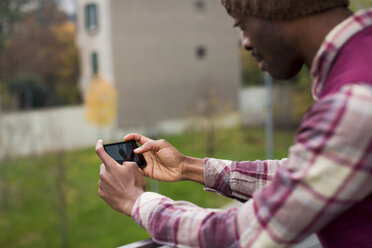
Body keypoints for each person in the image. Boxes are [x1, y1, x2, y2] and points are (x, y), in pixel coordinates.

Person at [95, 0, 372, 247]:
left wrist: (136, 201)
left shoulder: (354, 101)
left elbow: (241, 235)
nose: (246, 42)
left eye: (243, 24)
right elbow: (303, 178)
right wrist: (188, 167)